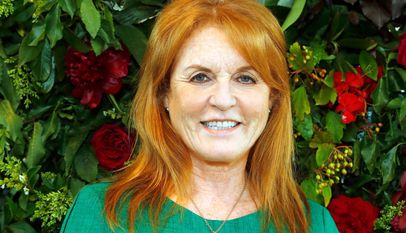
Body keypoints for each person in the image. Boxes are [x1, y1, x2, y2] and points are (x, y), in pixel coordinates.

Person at [60, 0, 339, 232]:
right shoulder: (100, 214)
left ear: (273, 98)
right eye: (200, 77)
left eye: (245, 78)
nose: (223, 100)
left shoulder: (312, 225)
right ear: (164, 93)